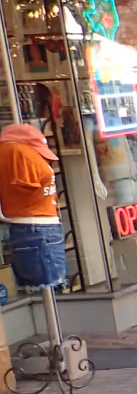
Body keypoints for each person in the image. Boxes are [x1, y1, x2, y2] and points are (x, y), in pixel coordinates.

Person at [0, 123, 66, 293]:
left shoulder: (18, 156)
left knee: (45, 288)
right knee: (50, 287)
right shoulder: (19, 154)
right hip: (39, 228)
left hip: (33, 226)